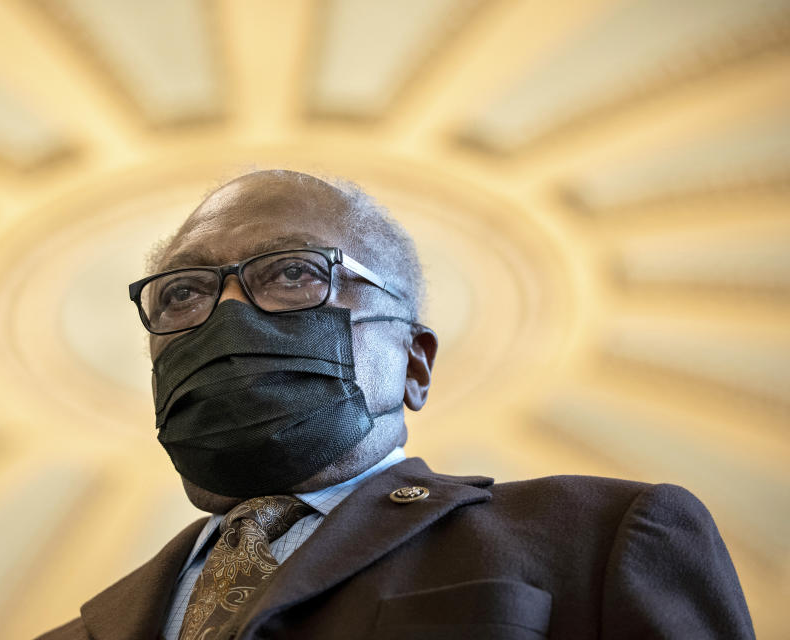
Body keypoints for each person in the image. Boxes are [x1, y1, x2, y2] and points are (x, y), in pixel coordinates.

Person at [37, 170, 754, 639]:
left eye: (292, 273)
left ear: (415, 363)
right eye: (182, 293)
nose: (225, 314)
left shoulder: (600, 538)